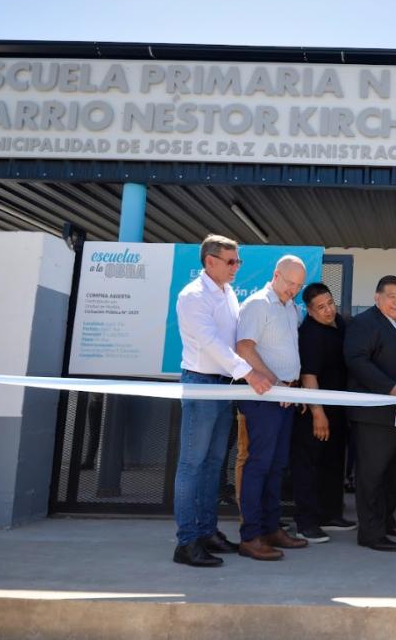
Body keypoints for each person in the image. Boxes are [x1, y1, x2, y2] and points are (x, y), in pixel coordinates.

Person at [172, 234, 273, 568]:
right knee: (192, 465)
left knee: (214, 463)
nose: (236, 267)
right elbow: (212, 343)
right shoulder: (192, 296)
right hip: (202, 385)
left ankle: (207, 531)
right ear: (209, 261)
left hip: (222, 385)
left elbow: (233, 342)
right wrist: (249, 373)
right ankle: (187, 542)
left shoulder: (227, 293)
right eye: (231, 261)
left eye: (238, 261)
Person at [234, 255, 309, 561]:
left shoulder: (291, 308)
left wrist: (288, 386)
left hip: (285, 397)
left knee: (277, 466)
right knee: (259, 465)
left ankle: (270, 529)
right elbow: (244, 347)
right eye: (290, 283)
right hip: (263, 397)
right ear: (276, 274)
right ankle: (250, 536)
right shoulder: (257, 304)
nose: (293, 289)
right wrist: (273, 381)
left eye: (298, 286)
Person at [343, 275, 396, 552]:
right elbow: (356, 360)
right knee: (372, 475)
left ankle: (387, 522)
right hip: (376, 415)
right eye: (392, 296)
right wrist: (389, 387)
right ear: (377, 297)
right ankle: (370, 532)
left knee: (394, 473)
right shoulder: (365, 323)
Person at [290, 282, 357, 544]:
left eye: (330, 303)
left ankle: (330, 515)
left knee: (333, 463)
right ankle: (305, 523)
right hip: (315, 410)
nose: (328, 310)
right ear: (309, 310)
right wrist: (318, 413)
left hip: (339, 407)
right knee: (308, 466)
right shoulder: (310, 333)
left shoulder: (340, 324)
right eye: (321, 307)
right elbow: (309, 375)